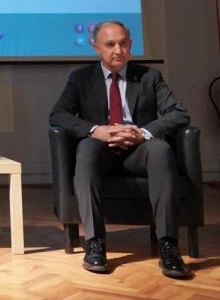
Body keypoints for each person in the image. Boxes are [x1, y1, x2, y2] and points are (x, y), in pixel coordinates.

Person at [49, 20, 190, 279]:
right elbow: (58, 114)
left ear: (131, 45)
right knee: (86, 149)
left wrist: (141, 133)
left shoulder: (149, 77)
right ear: (96, 47)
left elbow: (179, 113)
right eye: (110, 44)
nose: (118, 50)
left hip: (139, 150)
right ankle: (95, 244)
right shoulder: (80, 78)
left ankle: (168, 245)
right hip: (101, 149)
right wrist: (95, 130)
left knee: (160, 150)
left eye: (123, 44)